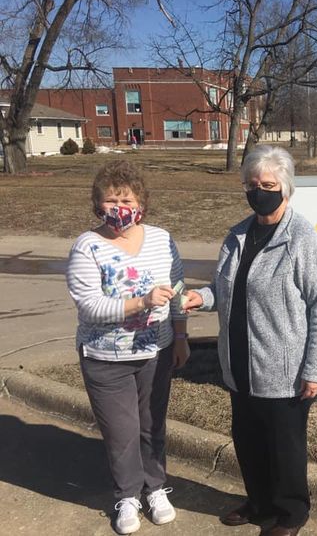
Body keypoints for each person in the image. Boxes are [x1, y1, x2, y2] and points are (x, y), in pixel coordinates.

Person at [183, 145, 317, 536]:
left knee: (284, 449)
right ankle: (259, 502)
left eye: (267, 184)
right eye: (252, 184)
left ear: (285, 187)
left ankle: (290, 513)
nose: (259, 191)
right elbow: (225, 288)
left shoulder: (302, 238)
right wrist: (203, 298)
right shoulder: (237, 235)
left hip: (283, 371)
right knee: (248, 442)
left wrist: (314, 370)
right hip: (239, 366)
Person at [66, 160, 189, 535]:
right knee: (122, 434)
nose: (120, 208)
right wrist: (141, 302)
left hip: (157, 352)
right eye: (111, 200)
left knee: (153, 428)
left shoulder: (162, 238)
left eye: (127, 199)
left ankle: (156, 488)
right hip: (106, 357)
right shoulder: (88, 246)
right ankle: (127, 495)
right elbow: (89, 305)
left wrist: (181, 334)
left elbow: (179, 288)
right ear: (97, 205)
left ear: (142, 203)